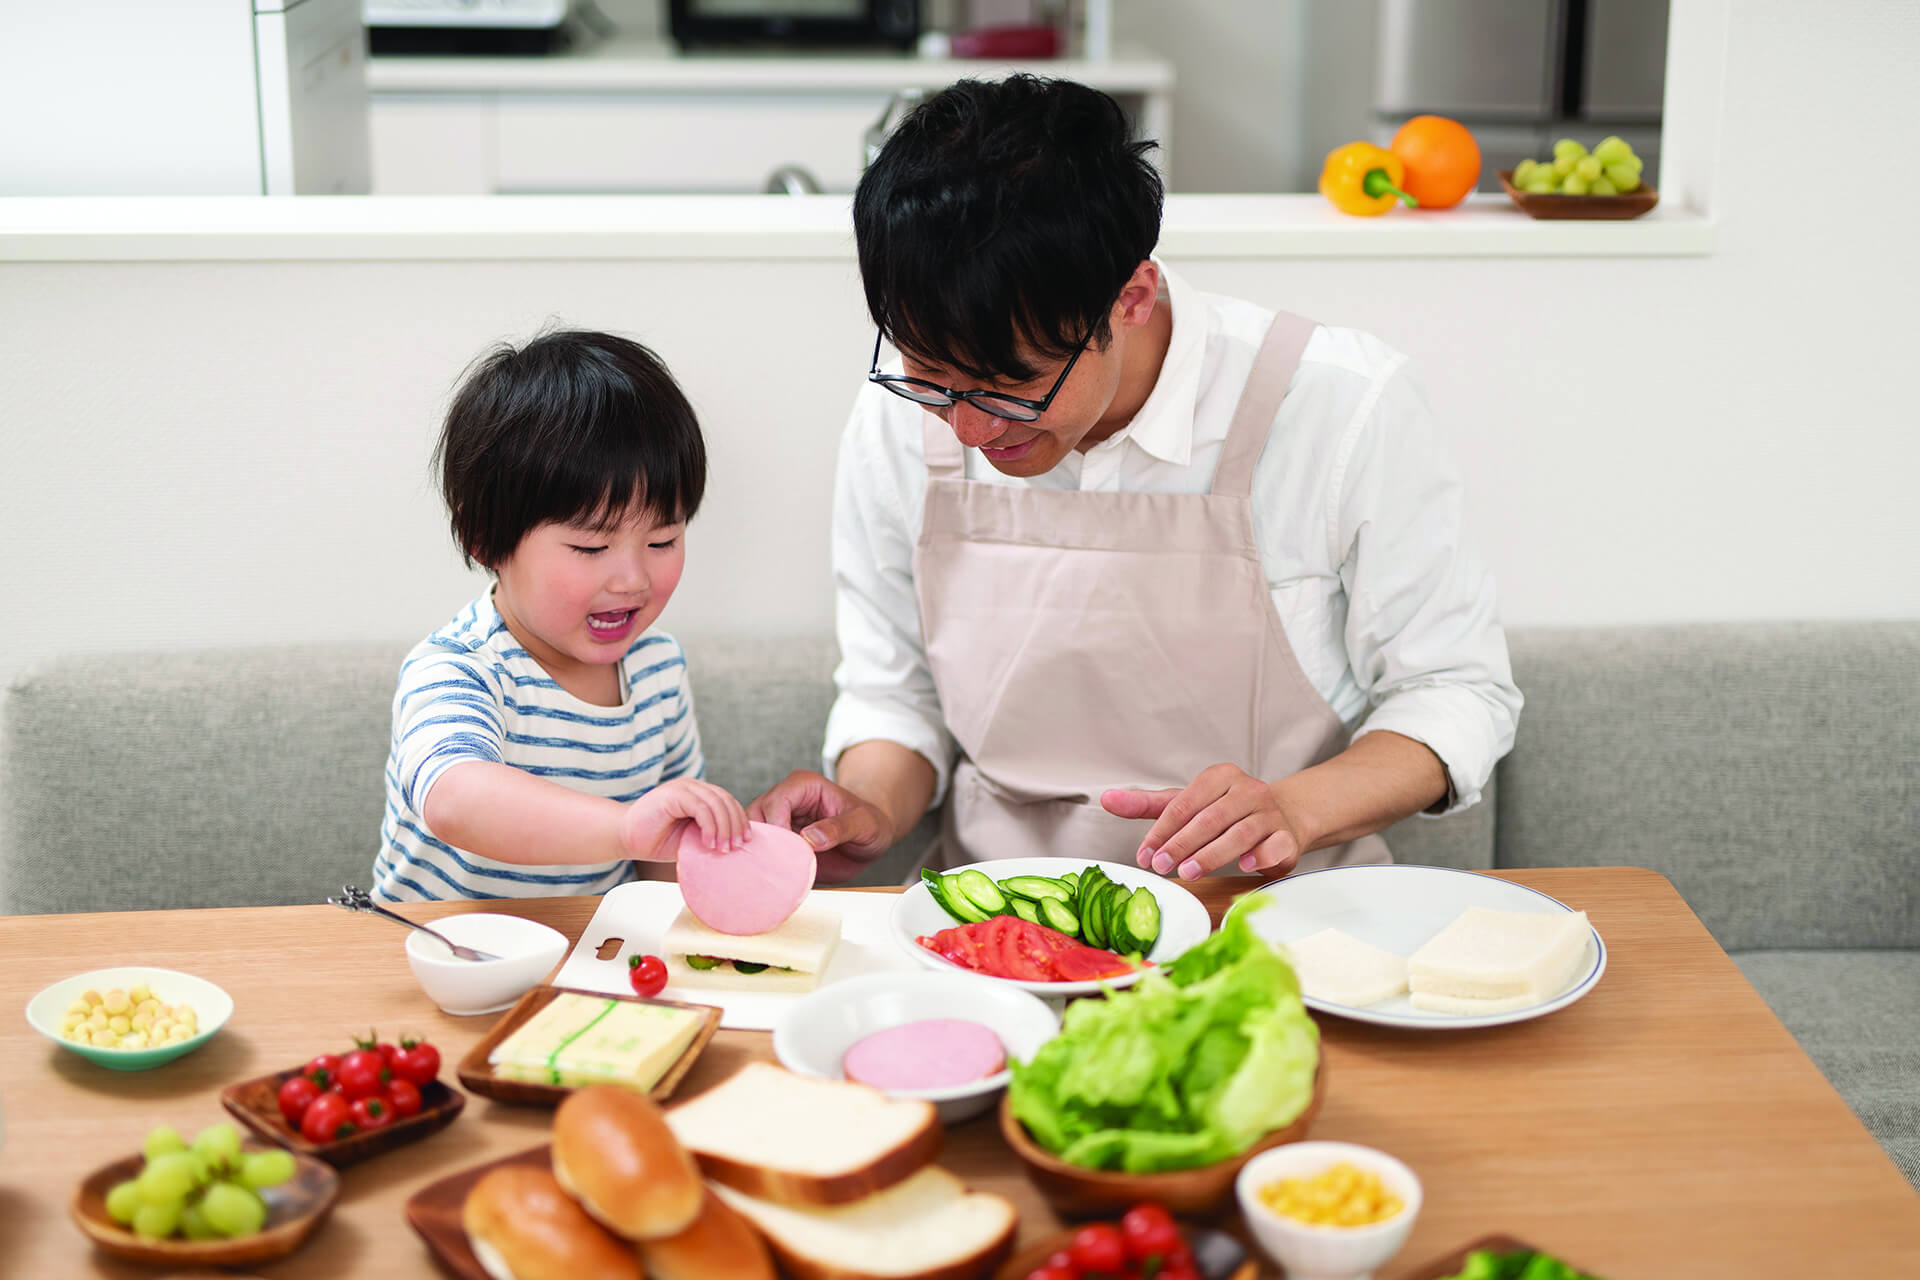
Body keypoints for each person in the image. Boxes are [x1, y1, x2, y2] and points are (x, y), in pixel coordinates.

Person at [751, 75, 1522, 884]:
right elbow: (894, 695)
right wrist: (870, 807)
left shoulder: (1338, 404)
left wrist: (1295, 809)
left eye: (1013, 385)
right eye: (930, 376)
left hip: (1277, 911)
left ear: (1131, 297)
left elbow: (1457, 691)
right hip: (996, 915)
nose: (971, 430)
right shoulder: (899, 421)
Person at [372, 329, 747, 903]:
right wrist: (623, 829)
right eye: (591, 548)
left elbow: (661, 860)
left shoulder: (657, 670)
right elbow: (454, 798)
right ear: (485, 540)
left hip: (592, 959)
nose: (632, 579)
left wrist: (724, 849)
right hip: (445, 957)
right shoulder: (460, 668)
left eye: (664, 539)